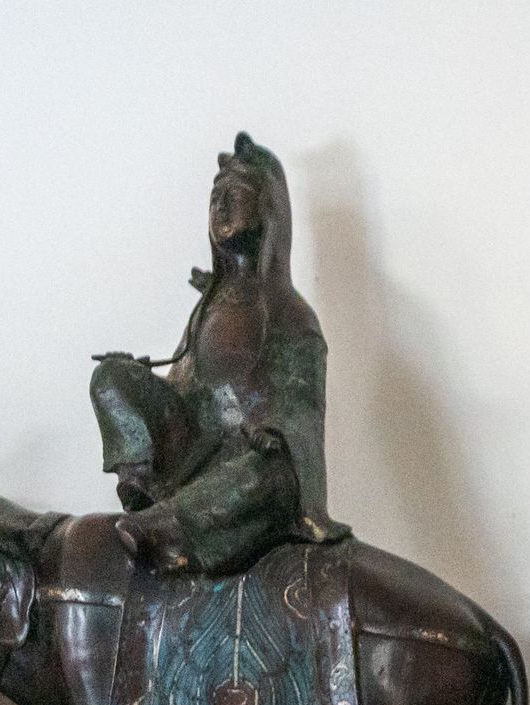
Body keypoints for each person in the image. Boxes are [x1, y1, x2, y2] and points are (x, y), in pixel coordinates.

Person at [89, 134, 348, 577]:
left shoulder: (291, 314)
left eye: (235, 196)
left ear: (268, 211)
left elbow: (304, 414)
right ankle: (146, 496)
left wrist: (273, 432)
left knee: (267, 477)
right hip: (193, 453)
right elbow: (187, 385)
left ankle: (167, 529)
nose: (220, 207)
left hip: (249, 459)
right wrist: (139, 378)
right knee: (111, 378)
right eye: (214, 198)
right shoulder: (208, 306)